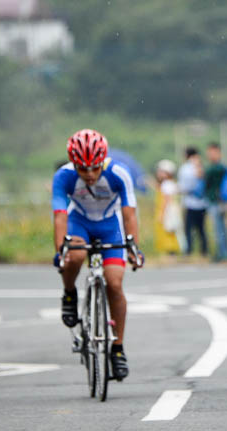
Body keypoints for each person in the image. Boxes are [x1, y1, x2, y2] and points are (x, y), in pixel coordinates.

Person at [52, 129, 144, 380]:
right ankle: (69, 292)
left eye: (94, 168)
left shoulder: (118, 174)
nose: (90, 175)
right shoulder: (63, 176)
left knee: (114, 283)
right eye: (83, 169)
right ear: (74, 164)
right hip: (78, 223)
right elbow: (60, 216)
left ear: (102, 160)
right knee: (76, 255)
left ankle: (117, 349)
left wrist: (133, 247)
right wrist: (61, 250)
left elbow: (129, 214)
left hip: (109, 227)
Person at [204, 142, 227, 261]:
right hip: (219, 201)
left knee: (219, 229)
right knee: (222, 228)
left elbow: (207, 182)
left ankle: (223, 253)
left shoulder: (217, 168)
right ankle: (224, 251)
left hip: (217, 202)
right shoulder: (222, 167)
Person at [178, 147, 208, 256]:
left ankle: (189, 250)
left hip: (190, 203)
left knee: (188, 228)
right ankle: (204, 250)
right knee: (201, 229)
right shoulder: (201, 166)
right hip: (203, 203)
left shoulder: (185, 168)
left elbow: (183, 186)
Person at [153, 159, 182, 256]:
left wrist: (162, 213)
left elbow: (166, 200)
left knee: (168, 232)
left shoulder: (166, 184)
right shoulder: (171, 183)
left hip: (167, 212)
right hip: (171, 211)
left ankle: (170, 252)